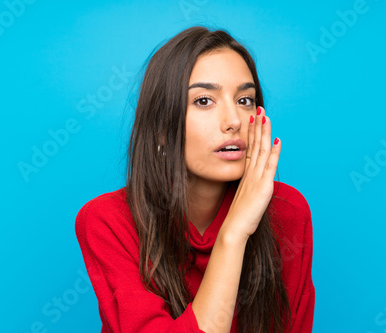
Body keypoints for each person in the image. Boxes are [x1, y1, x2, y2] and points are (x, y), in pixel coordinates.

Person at [75, 26, 315, 333]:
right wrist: (234, 233)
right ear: (161, 128)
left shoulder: (287, 210)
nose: (233, 121)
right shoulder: (107, 221)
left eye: (245, 100)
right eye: (204, 101)